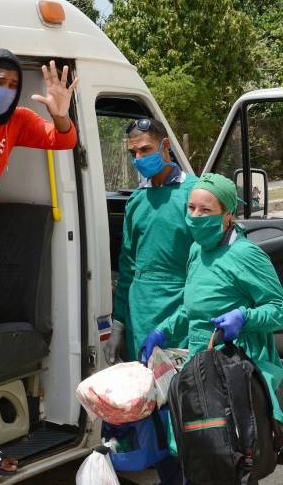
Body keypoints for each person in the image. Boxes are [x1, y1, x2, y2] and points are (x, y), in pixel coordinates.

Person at [0, 49, 78, 477]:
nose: (4, 91)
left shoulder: (17, 122)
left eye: (11, 85)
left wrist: (61, 114)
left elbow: (63, 140)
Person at [142, 173, 283, 471]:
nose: (194, 216)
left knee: (231, 454)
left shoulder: (246, 254)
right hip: (199, 363)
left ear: (228, 215)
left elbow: (278, 308)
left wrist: (244, 317)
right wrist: (163, 331)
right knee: (197, 452)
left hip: (235, 369)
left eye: (205, 210)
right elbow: (192, 308)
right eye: (191, 208)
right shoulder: (197, 251)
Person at [104, 117, 197, 484]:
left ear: (165, 147)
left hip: (180, 314)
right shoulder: (138, 202)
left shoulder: (194, 196)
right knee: (151, 411)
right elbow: (128, 267)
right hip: (142, 313)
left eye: (145, 149)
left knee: (183, 410)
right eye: (133, 153)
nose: (139, 158)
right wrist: (120, 323)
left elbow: (207, 263)